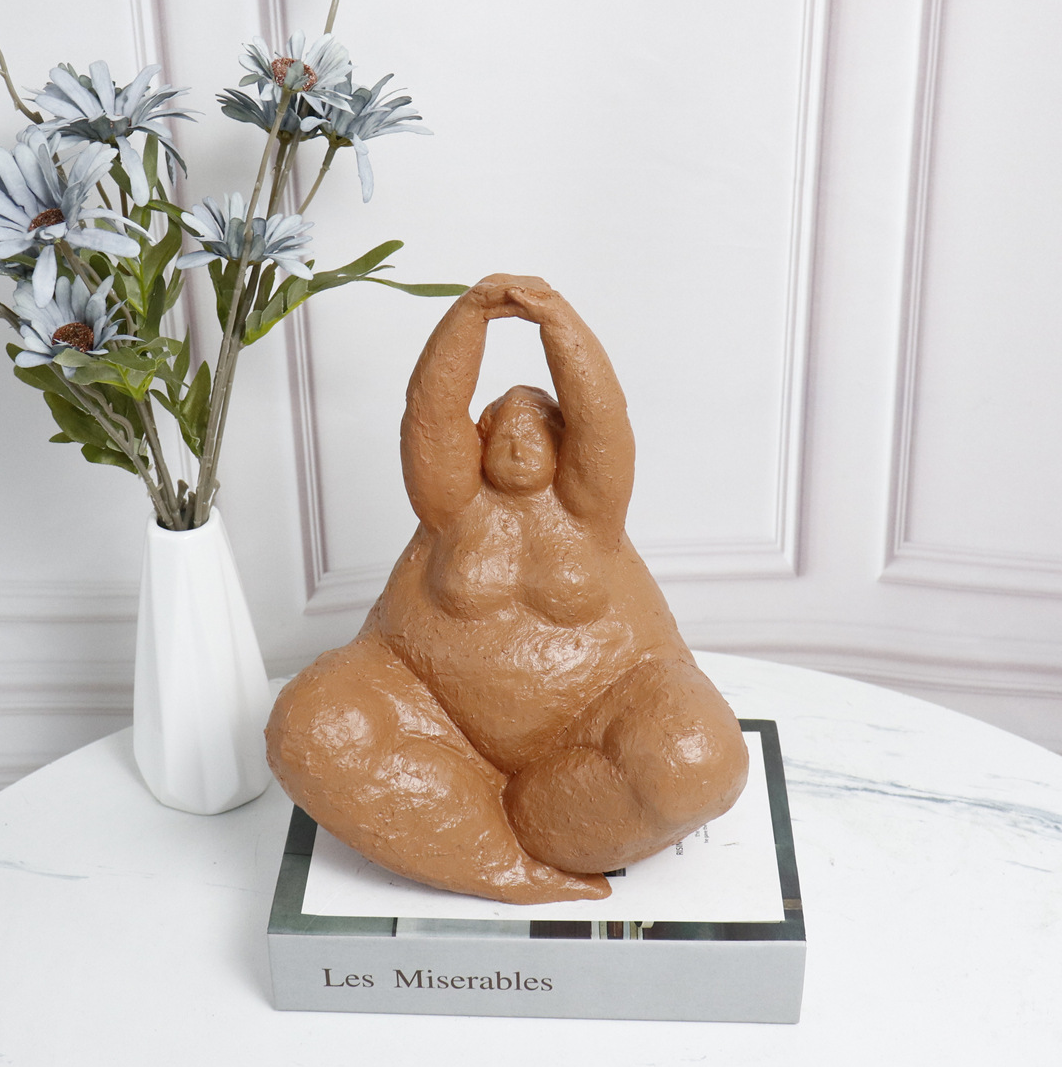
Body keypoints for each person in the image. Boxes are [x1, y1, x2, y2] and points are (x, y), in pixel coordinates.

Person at [266, 275, 748, 904]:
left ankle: (544, 836)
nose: (521, 445)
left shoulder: (589, 515)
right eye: (505, 433)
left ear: (564, 445)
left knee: (696, 757)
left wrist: (558, 321)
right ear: (480, 441)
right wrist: (469, 317)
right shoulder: (452, 511)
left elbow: (603, 422)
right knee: (312, 728)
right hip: (431, 725)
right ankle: (488, 856)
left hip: (590, 743)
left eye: (538, 432)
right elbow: (430, 416)